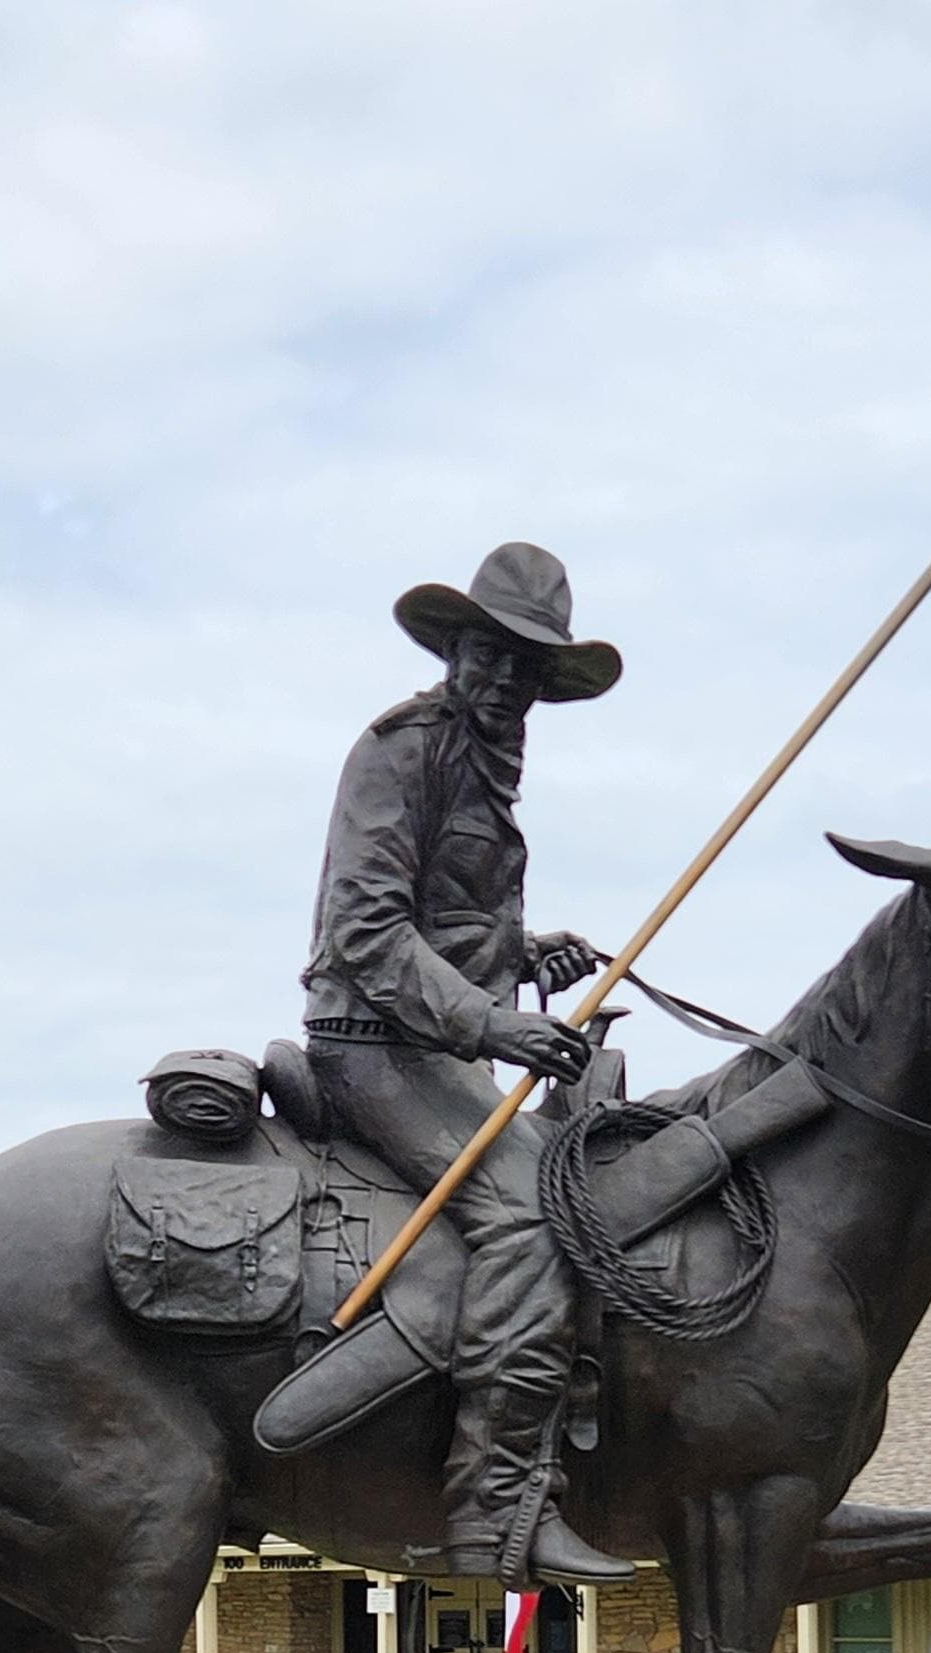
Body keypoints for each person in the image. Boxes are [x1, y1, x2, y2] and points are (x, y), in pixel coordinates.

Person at [303, 541, 634, 1589]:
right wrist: (496, 1027)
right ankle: (495, 1511)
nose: (501, 680)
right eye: (487, 657)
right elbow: (367, 931)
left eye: (525, 668)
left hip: (439, 1043)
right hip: (374, 1044)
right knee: (530, 1216)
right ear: (456, 650)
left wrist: (528, 959)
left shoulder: (488, 769)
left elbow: (445, 924)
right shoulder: (402, 748)